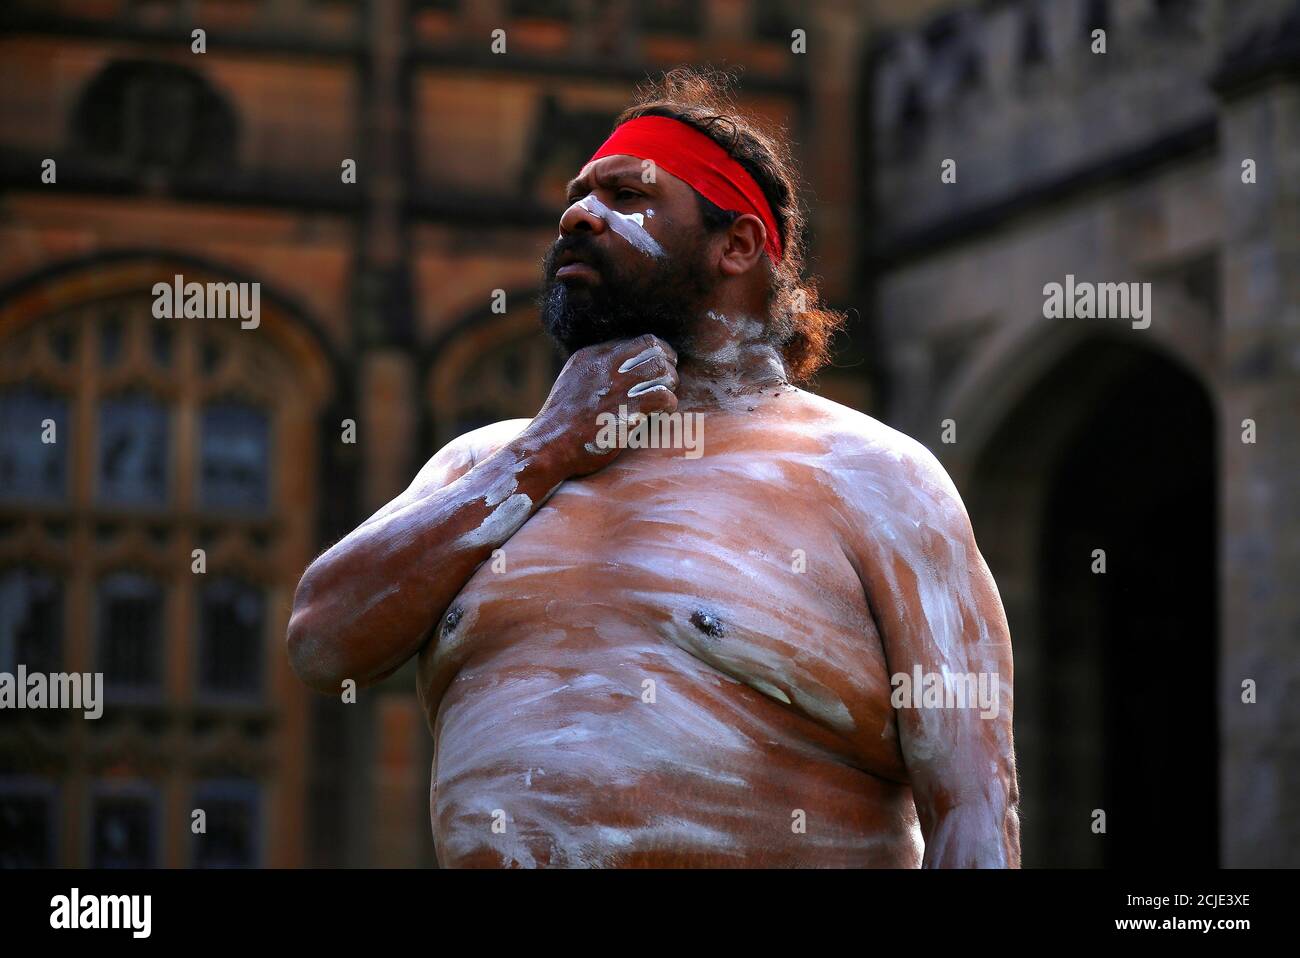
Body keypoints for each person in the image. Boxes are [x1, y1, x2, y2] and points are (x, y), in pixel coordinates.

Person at [288, 68, 1020, 867]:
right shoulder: (484, 464)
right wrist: (544, 453)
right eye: (576, 195)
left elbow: (976, 813)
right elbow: (322, 644)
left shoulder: (875, 478)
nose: (577, 214)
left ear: (737, 245)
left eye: (627, 196)